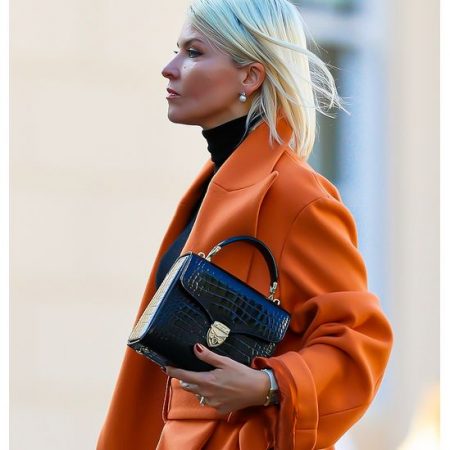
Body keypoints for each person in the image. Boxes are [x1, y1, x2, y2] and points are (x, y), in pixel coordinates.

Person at [96, 0, 393, 449]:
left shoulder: (296, 195)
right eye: (177, 50)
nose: (169, 68)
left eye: (193, 52)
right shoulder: (213, 185)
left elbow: (358, 343)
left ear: (250, 76)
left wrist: (267, 385)